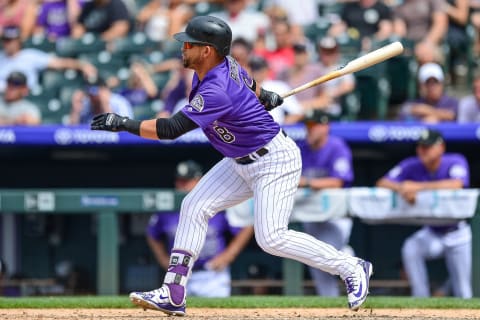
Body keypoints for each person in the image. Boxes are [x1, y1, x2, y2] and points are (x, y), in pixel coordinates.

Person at [90, 15, 372, 316]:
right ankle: (173, 291)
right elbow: (252, 85)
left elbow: (170, 130)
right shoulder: (222, 65)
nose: (183, 48)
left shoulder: (216, 89)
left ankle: (351, 266)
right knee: (194, 206)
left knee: (271, 237)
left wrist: (123, 123)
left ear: (208, 50)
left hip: (274, 161)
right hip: (240, 160)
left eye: (190, 44)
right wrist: (266, 96)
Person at [376, 129, 472, 298]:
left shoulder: (455, 160)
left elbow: (457, 184)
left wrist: (417, 187)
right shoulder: (412, 164)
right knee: (411, 247)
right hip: (432, 232)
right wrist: (401, 188)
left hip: (457, 233)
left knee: (463, 289)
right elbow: (382, 182)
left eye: (427, 147)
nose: (423, 150)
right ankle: (420, 297)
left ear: (441, 147)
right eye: (420, 146)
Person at [147, 160, 254, 297]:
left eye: (187, 181)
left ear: (199, 180)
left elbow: (246, 226)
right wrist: (163, 259)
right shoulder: (168, 209)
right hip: (181, 274)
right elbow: (152, 233)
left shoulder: (216, 203)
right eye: (179, 181)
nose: (182, 185)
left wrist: (229, 255)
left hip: (212, 274)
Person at [297, 110, 355, 297]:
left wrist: (306, 182)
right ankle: (329, 302)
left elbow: (338, 181)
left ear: (325, 127)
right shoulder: (301, 148)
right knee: (315, 260)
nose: (310, 130)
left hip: (334, 215)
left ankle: (351, 262)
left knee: (324, 255)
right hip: (310, 214)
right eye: (308, 126)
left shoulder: (337, 147)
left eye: (314, 126)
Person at [0, 25, 97, 93]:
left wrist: (82, 65)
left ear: (18, 40)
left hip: (24, 97)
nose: (7, 44)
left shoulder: (29, 55)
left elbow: (59, 63)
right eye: (5, 40)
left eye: (10, 40)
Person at [247, 55, 304, 125]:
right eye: (254, 69)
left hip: (274, 128)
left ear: (266, 70)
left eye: (259, 69)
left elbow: (297, 112)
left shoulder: (278, 87)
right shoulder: (243, 89)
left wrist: (282, 128)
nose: (257, 73)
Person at [69, 76, 133, 124]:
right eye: (89, 91)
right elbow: (73, 131)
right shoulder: (86, 103)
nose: (92, 96)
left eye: (94, 91)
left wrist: (106, 106)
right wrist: (75, 111)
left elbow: (124, 131)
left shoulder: (119, 102)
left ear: (104, 90)